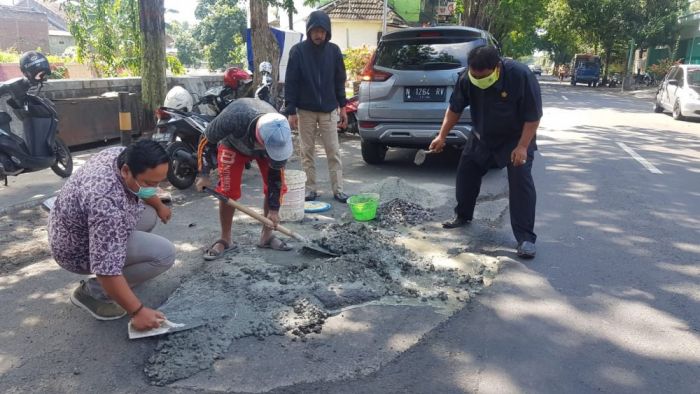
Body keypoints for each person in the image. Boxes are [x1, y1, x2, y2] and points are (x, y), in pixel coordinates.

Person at [48, 141, 176, 330]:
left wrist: (159, 205)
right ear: (126, 171)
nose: (155, 189)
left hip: (69, 227)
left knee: (149, 215)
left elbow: (144, 190)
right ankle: (94, 292)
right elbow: (106, 269)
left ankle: (123, 268)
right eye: (150, 183)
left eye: (158, 182)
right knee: (165, 255)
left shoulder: (120, 154)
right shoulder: (105, 204)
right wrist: (138, 311)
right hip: (76, 250)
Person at [429, 45, 543, 258]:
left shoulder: (520, 76)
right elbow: (455, 108)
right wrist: (442, 135)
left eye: (484, 76)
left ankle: (526, 238)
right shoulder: (466, 78)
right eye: (475, 75)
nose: (478, 80)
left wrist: (522, 146)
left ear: (497, 67)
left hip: (515, 140)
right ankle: (463, 215)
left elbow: (533, 116)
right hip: (482, 136)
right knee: (466, 173)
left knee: (520, 182)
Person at [195, 98, 293, 259]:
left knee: (276, 188)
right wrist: (203, 174)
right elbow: (205, 139)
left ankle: (266, 237)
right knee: (227, 190)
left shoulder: (280, 135)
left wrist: (274, 210)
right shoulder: (234, 117)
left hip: (266, 148)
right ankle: (226, 239)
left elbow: (276, 178)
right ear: (258, 139)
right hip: (233, 145)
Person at [284, 10, 350, 203]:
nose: (318, 35)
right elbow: (291, 82)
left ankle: (338, 190)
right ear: (309, 30)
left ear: (327, 31)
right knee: (307, 151)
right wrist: (291, 111)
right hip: (305, 111)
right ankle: (310, 189)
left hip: (329, 110)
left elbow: (340, 81)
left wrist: (343, 107)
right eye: (315, 30)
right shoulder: (297, 51)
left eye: (322, 31)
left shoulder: (334, 51)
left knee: (334, 151)